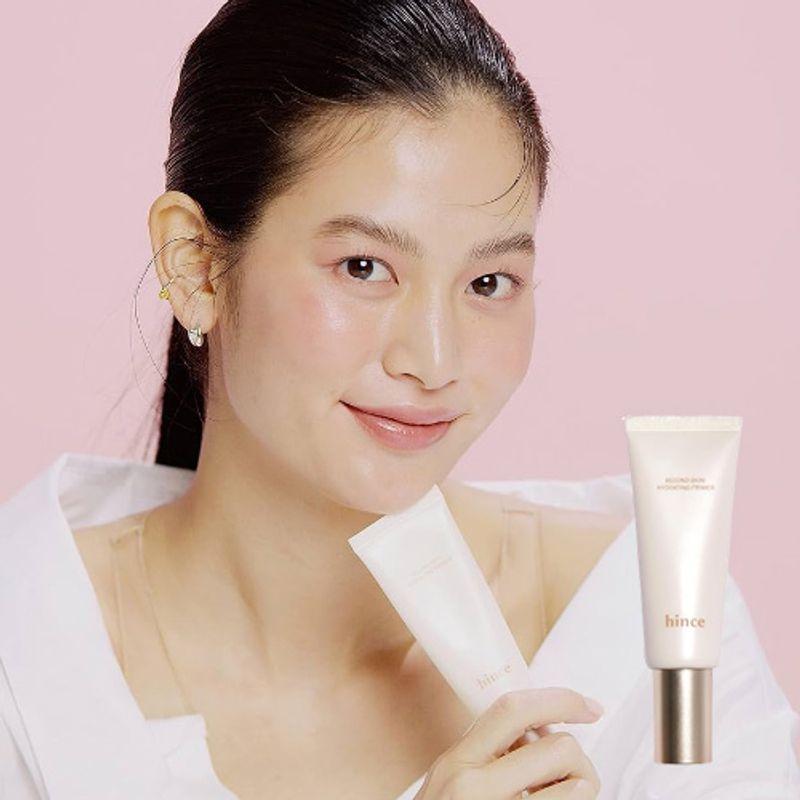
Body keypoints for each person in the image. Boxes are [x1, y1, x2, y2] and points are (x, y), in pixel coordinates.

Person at [1, 1, 798, 798]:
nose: (435, 361)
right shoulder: (29, 643)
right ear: (196, 266)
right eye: (363, 268)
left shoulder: (645, 625)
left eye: (489, 282)